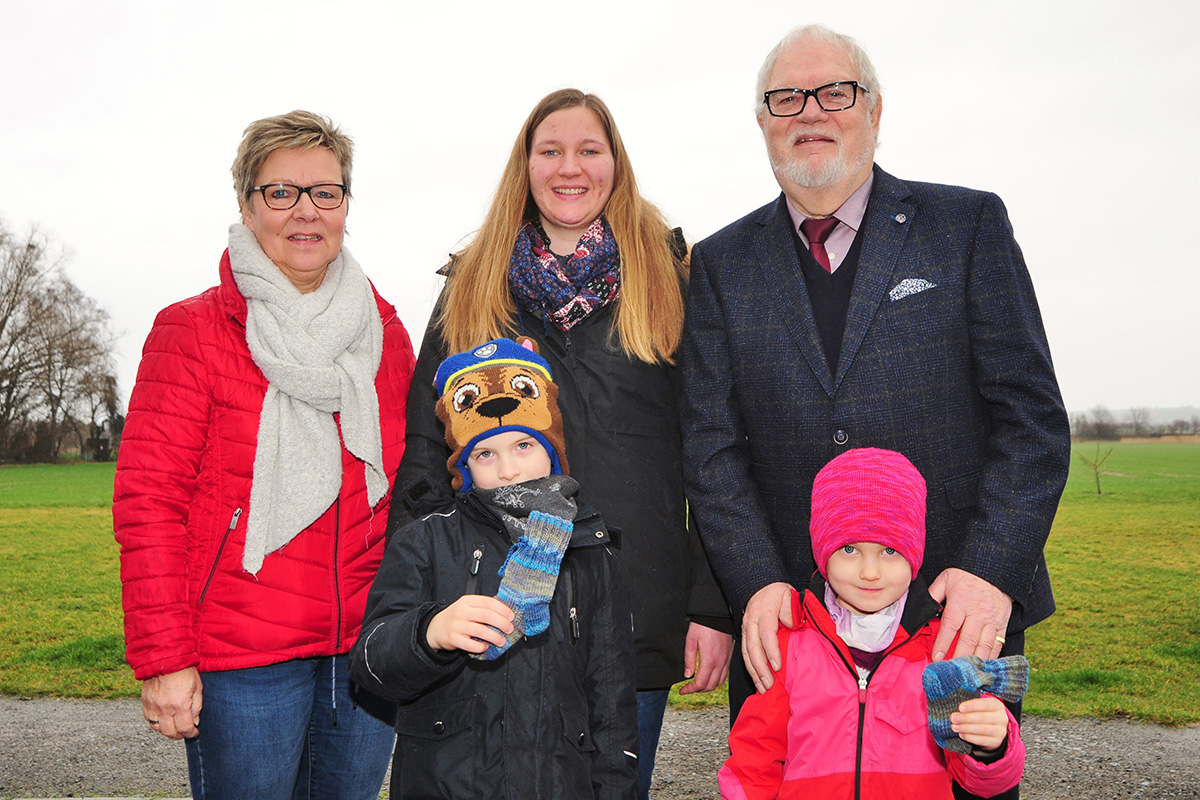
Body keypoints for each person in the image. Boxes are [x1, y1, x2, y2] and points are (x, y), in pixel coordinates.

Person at [677, 25, 1070, 795]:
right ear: (762, 120)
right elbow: (710, 447)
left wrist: (993, 571)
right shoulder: (721, 264)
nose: (810, 112)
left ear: (875, 109)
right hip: (793, 628)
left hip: (950, 612)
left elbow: (1033, 422)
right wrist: (756, 583)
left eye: (835, 92)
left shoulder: (965, 227)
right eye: (786, 97)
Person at [394, 87, 733, 798]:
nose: (569, 167)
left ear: (616, 163)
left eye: (588, 150)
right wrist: (419, 594)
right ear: (526, 165)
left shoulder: (671, 276)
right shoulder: (471, 281)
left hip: (631, 606)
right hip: (485, 604)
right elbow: (426, 446)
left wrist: (709, 604)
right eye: (550, 151)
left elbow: (712, 449)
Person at [112, 110, 415, 799]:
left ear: (345, 206)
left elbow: (412, 488)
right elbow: (148, 504)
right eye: (281, 192)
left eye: (326, 192)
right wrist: (164, 660)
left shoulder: (386, 331)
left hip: (365, 648)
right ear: (247, 208)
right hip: (242, 659)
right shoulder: (192, 331)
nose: (305, 212)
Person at [350, 337, 638, 799]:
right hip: (447, 785)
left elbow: (613, 706)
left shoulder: (592, 551)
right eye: (485, 454)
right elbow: (371, 667)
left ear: (553, 447)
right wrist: (429, 633)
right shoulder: (425, 540)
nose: (508, 469)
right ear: (462, 466)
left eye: (524, 444)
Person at [718, 448, 1027, 799]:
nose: (869, 572)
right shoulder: (790, 642)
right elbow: (755, 757)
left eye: (889, 551)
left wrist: (992, 747)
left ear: (914, 554)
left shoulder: (944, 650)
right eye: (849, 549)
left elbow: (985, 782)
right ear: (822, 550)